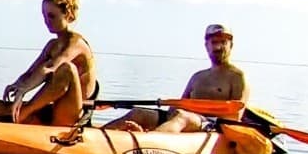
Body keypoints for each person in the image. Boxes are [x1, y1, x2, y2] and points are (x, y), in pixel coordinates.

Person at [0, 0, 98, 126]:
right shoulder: (52, 45)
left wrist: (25, 90)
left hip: (72, 114)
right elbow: (31, 73)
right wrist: (17, 85)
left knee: (67, 69)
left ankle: (23, 113)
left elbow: (50, 67)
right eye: (44, 16)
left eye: (51, 16)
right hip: (53, 109)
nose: (46, 21)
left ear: (68, 15)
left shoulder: (76, 43)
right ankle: (15, 114)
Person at [105, 24, 248, 132]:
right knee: (138, 113)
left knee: (181, 116)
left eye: (223, 42)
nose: (218, 47)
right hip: (185, 117)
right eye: (214, 42)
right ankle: (92, 136)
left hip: (210, 125)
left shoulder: (237, 76)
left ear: (231, 45)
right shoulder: (197, 76)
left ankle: (150, 140)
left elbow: (235, 117)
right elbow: (180, 104)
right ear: (206, 46)